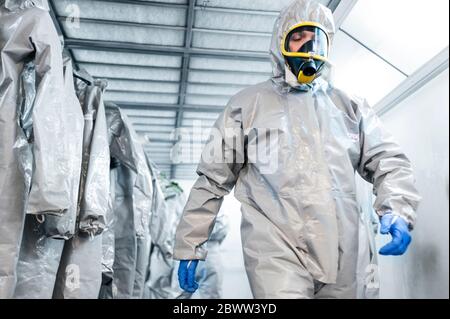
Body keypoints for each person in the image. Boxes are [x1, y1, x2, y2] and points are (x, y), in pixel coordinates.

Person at [173, 0, 421, 299]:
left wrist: (396, 208)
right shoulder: (247, 105)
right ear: (281, 44)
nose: (307, 47)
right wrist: (191, 242)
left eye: (314, 39)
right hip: (275, 249)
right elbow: (212, 179)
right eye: (297, 38)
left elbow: (389, 160)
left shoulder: (350, 106)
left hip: (343, 247)